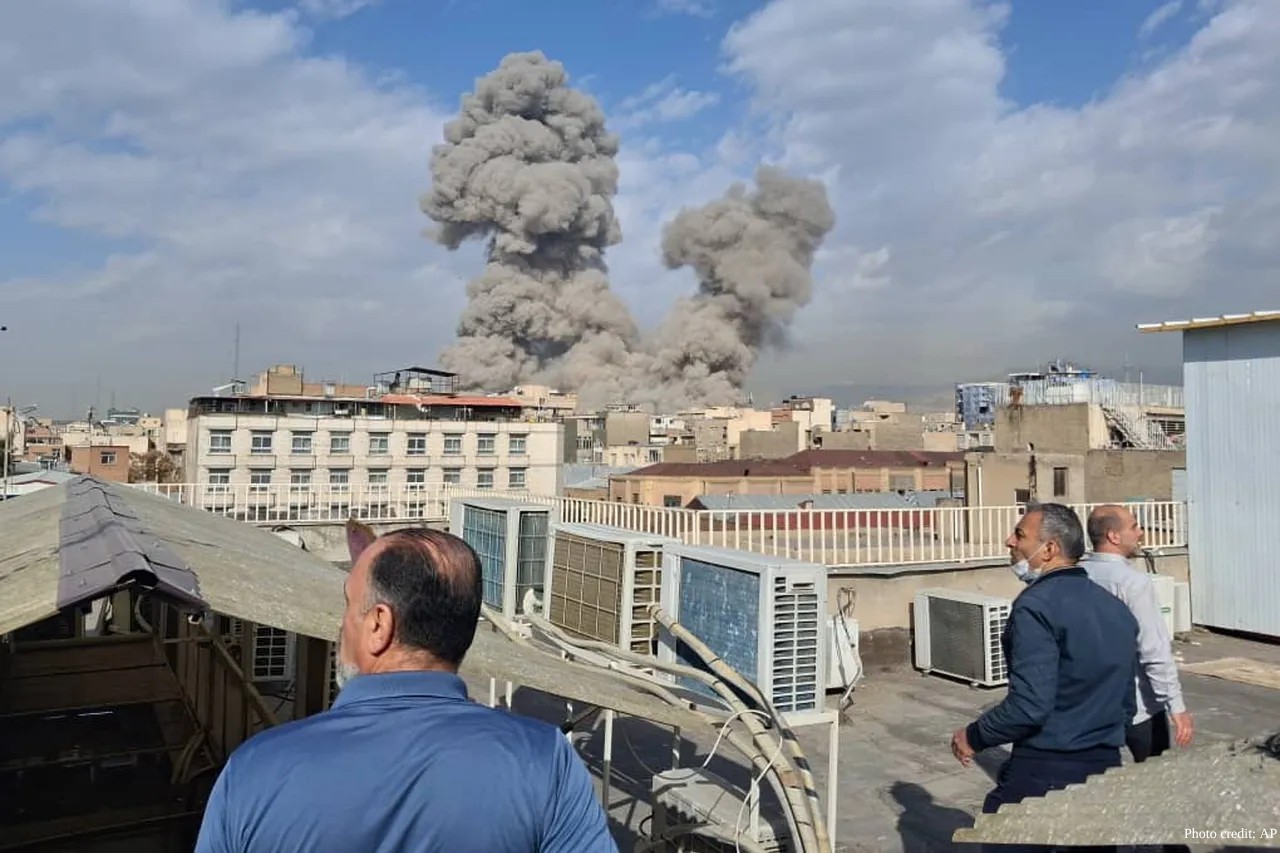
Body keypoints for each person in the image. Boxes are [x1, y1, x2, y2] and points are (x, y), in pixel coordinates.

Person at [194, 522, 617, 853]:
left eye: (347, 604)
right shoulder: (545, 762)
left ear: (378, 625)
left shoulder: (256, 770)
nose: (341, 623)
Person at [951, 503, 1139, 850]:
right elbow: (1127, 701)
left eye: (1020, 534)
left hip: (1046, 771)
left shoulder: (1035, 606)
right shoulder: (1115, 608)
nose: (1010, 541)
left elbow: (1029, 706)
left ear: (1050, 549)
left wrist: (974, 736)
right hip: (1104, 770)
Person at [1082, 504, 1194, 762]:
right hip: (1138, 706)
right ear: (1114, 536)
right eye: (1134, 526)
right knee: (1156, 780)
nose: (1141, 533)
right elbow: (1153, 649)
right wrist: (1176, 706)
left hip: (1090, 704)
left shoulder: (1079, 575)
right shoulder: (1133, 583)